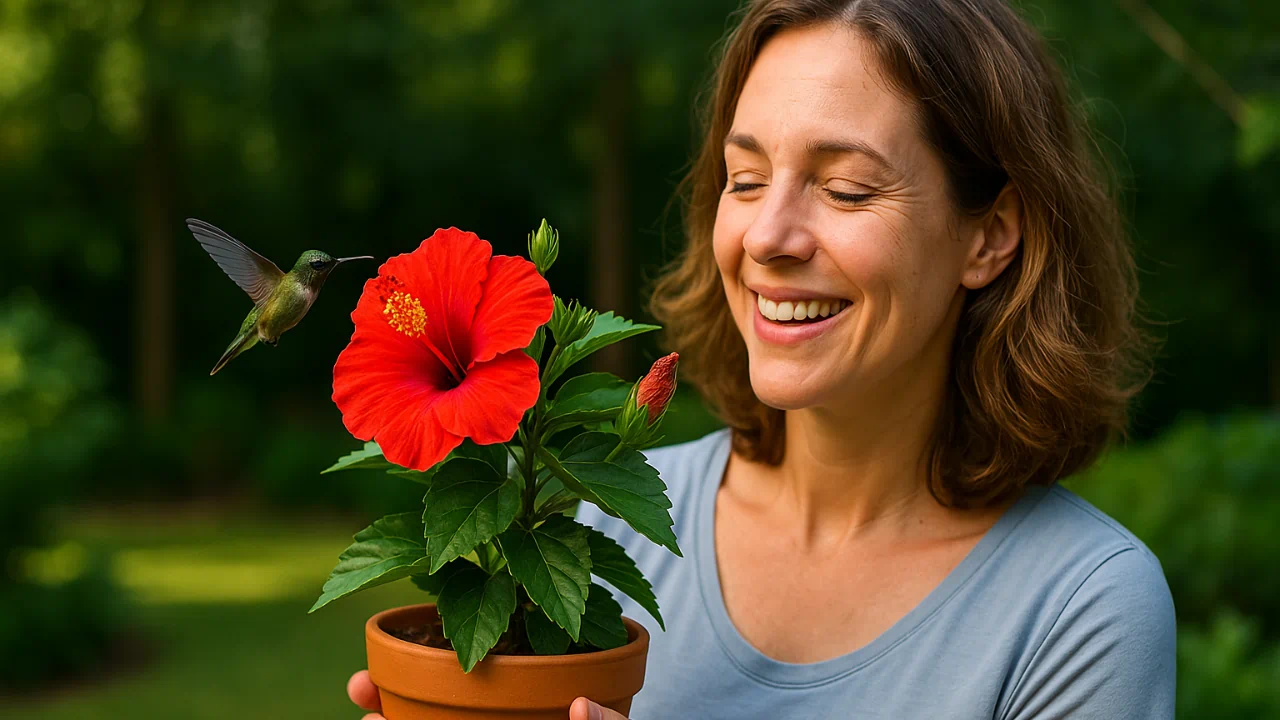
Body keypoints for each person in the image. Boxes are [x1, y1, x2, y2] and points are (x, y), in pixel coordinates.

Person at [349, 0, 1176, 717]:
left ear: (991, 235)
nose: (767, 238)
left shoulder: (1078, 607)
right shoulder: (604, 515)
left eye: (847, 188)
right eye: (745, 180)